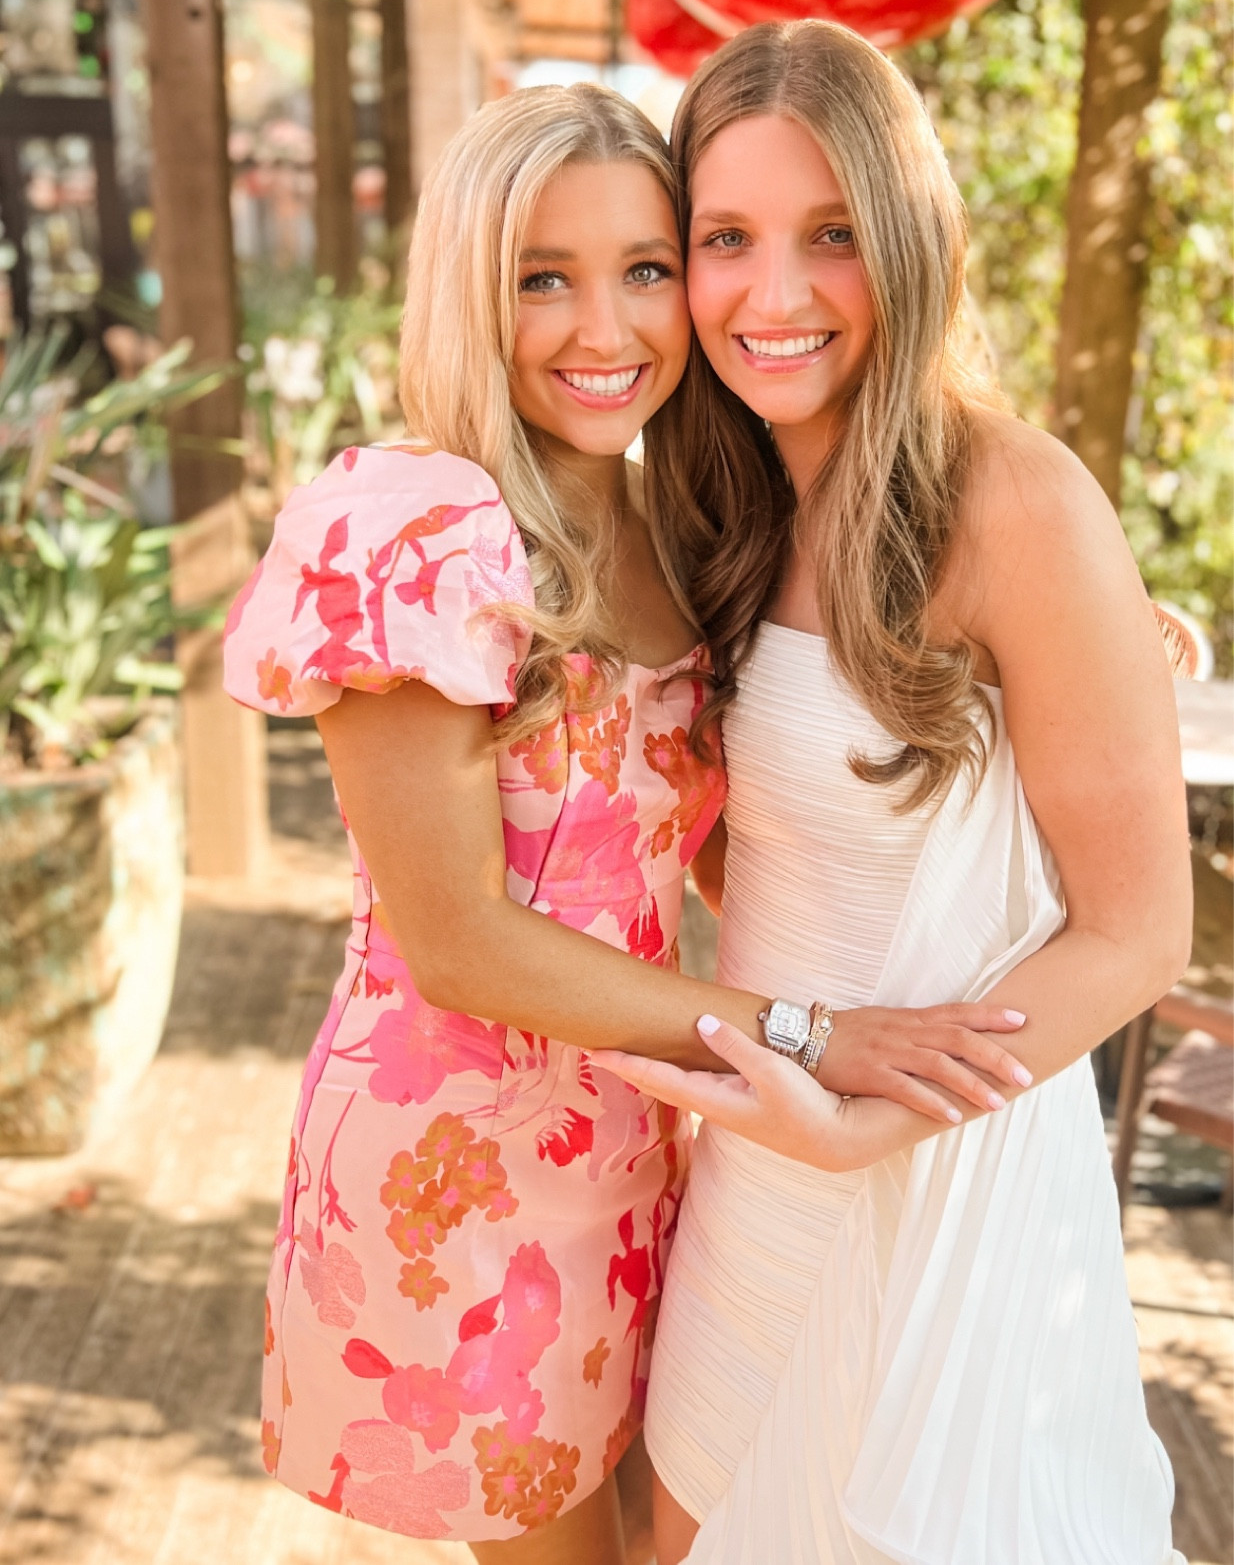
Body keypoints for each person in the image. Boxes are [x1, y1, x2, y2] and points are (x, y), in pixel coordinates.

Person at [223, 80, 1036, 1562]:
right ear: (471, 290)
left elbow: (737, 798)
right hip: (465, 1155)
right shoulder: (418, 527)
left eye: (645, 269)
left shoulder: (668, 517)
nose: (606, 330)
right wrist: (802, 1032)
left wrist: (1093, 630)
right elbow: (460, 941)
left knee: (675, 1523)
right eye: (544, 277)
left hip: (644, 1128)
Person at [595, 21, 1192, 1565]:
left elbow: (1136, 939)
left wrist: (867, 1126)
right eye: (723, 238)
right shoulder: (714, 501)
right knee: (684, 1521)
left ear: (909, 241)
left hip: (934, 1150)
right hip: (758, 1137)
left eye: (832, 238)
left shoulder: (1012, 499)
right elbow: (752, 851)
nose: (770, 296)